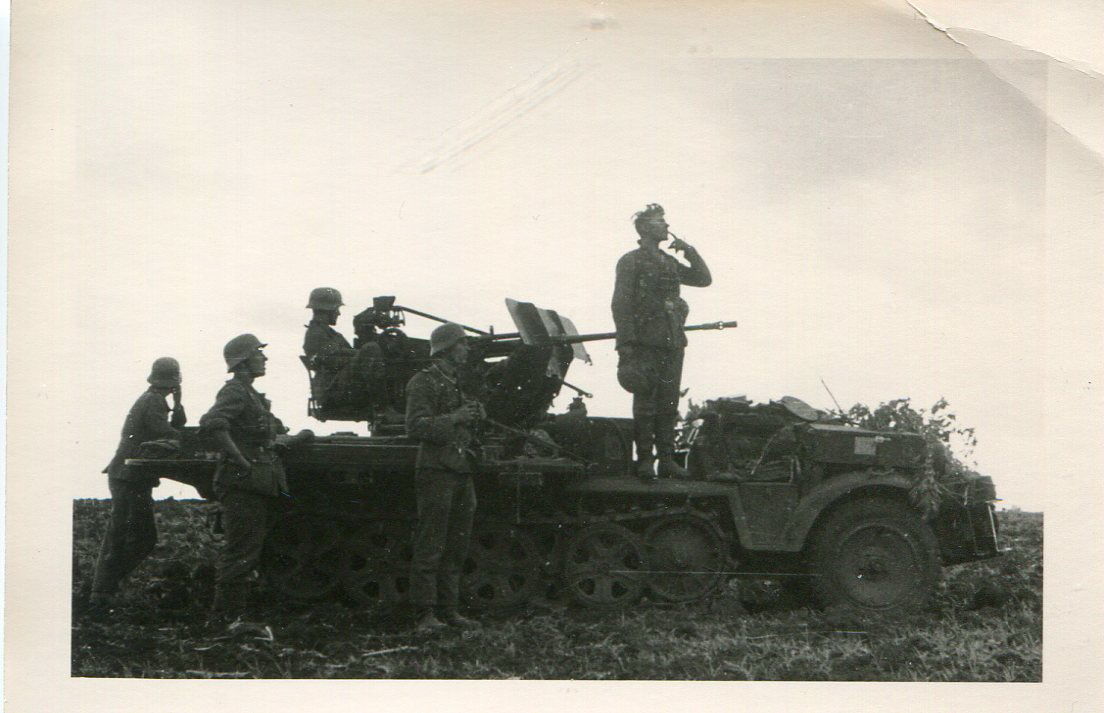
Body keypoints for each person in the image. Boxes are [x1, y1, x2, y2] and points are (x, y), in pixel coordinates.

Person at [611, 203, 712, 481]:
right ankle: (645, 461)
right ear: (644, 228)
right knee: (645, 402)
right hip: (645, 341)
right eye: (660, 222)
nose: (666, 226)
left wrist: (689, 250)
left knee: (669, 403)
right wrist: (626, 345)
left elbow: (704, 279)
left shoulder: (669, 262)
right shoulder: (631, 260)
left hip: (672, 340)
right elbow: (621, 304)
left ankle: (666, 460)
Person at [200, 334, 292, 623]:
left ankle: (230, 615)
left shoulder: (249, 393)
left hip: (254, 481)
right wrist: (240, 460)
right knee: (241, 550)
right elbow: (213, 423)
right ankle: (226, 618)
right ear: (243, 361)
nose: (264, 358)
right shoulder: (236, 392)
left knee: (247, 547)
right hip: (243, 482)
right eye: (258, 353)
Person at [89, 357, 186, 612]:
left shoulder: (153, 399)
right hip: (128, 477)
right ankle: (101, 593)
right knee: (125, 536)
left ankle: (104, 589)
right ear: (174, 380)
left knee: (133, 536)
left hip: (130, 476)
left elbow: (168, 429)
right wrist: (189, 434)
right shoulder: (153, 401)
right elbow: (165, 432)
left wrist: (177, 405)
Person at [405, 322, 484, 633]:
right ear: (449, 349)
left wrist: (475, 416)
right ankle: (425, 615)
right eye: (463, 345)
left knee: (456, 545)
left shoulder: (454, 383)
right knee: (432, 544)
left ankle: (449, 611)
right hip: (437, 470)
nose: (466, 350)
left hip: (460, 469)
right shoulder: (423, 382)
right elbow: (416, 426)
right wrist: (457, 417)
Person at [302, 287, 385, 412]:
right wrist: (362, 353)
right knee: (371, 349)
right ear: (327, 310)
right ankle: (383, 407)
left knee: (373, 349)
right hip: (332, 390)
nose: (338, 313)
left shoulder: (327, 333)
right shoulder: (315, 334)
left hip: (337, 386)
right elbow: (334, 360)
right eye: (337, 309)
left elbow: (343, 354)